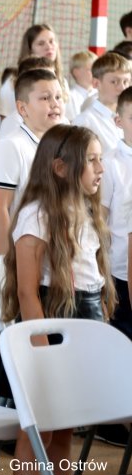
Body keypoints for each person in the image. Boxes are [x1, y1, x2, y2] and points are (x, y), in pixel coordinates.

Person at [0, 124, 115, 475]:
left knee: (66, 425)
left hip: (85, 318)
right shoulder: (36, 215)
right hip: (49, 322)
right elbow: (27, 291)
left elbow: (92, 280)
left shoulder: (86, 208)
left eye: (101, 159)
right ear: (61, 168)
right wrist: (42, 349)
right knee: (40, 428)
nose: (100, 169)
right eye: (92, 161)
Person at [0, 68, 63, 257]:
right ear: (22, 108)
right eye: (45, 98)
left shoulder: (62, 143)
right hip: (23, 255)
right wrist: (5, 264)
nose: (55, 104)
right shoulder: (10, 146)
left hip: (55, 251)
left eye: (58, 97)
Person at [98, 86, 132, 446]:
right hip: (120, 271)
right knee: (121, 344)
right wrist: (103, 275)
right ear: (118, 120)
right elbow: (100, 223)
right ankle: (110, 418)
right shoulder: (111, 164)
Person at [73, 52, 131, 153]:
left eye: (125, 82)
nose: (122, 88)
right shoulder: (84, 122)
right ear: (96, 83)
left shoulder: (127, 115)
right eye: (114, 82)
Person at [65, 50, 97, 121]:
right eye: (91, 69)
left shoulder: (99, 94)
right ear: (76, 72)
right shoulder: (70, 97)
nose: (95, 73)